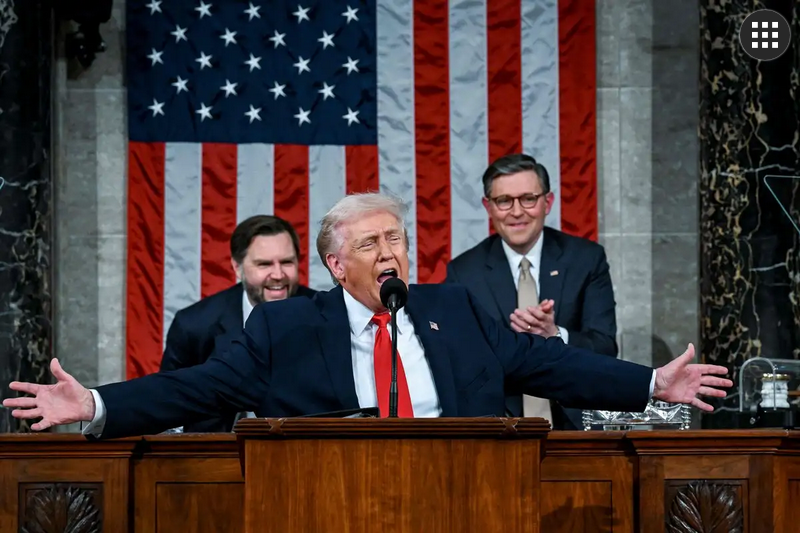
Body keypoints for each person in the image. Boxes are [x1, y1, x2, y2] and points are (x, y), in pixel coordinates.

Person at [3, 193, 731, 440]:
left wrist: (648, 384)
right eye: (372, 243)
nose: (391, 252)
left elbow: (548, 363)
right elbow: (192, 388)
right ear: (335, 264)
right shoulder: (286, 329)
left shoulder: (456, 307)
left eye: (398, 239)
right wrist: (96, 402)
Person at [447, 154, 617, 429]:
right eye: (504, 201)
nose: (516, 212)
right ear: (488, 206)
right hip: (498, 426)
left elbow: (606, 346)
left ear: (547, 202)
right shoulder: (464, 272)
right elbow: (458, 361)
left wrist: (555, 336)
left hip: (576, 424)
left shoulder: (585, 260)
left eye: (528, 198)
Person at [160, 215, 316, 432]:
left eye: (287, 262)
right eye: (264, 264)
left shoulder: (324, 315)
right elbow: (169, 402)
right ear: (237, 267)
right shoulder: (194, 325)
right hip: (217, 454)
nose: (278, 275)